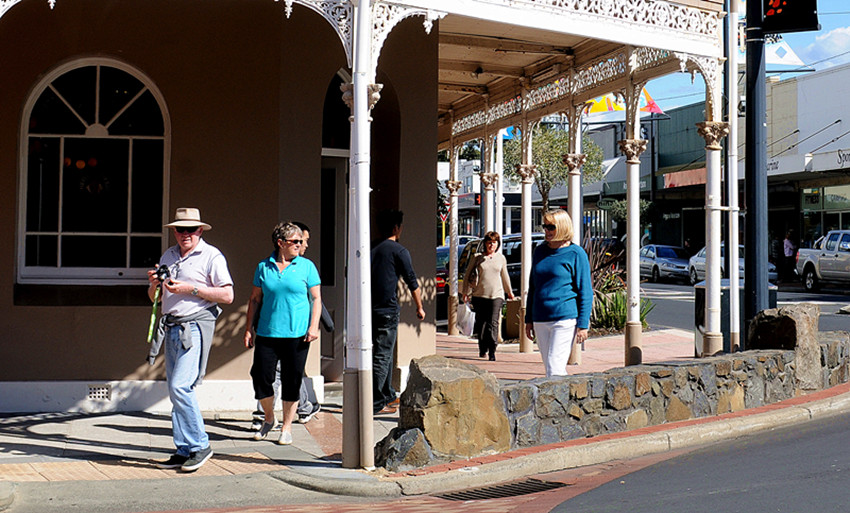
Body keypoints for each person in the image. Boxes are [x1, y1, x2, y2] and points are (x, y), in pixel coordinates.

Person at [148, 208, 234, 472]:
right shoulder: (169, 255)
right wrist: (153, 284)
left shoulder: (211, 256)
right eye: (180, 229)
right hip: (172, 326)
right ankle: (184, 448)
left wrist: (190, 289)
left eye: (191, 229)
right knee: (176, 390)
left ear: (200, 230)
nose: (185, 234)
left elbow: (228, 295)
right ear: (174, 231)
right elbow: (156, 298)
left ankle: (200, 445)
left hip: (194, 326)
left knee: (180, 386)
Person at [244, 222, 321, 445]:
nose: (300, 245)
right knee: (261, 377)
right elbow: (255, 299)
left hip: (297, 334)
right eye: (295, 242)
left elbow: (316, 298)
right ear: (281, 243)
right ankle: (270, 418)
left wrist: (313, 326)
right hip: (268, 332)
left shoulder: (306, 266)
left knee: (291, 380)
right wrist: (248, 327)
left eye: (301, 241)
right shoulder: (263, 267)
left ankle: (286, 427)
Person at [525, 209, 593, 378]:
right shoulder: (540, 251)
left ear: (562, 227)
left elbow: (585, 290)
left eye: (551, 227)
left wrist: (583, 325)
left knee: (554, 366)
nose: (546, 231)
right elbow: (533, 286)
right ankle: (564, 399)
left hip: (564, 318)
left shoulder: (576, 254)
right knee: (550, 367)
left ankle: (557, 401)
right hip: (540, 318)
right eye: (545, 226)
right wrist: (528, 319)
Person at [371, 209, 425, 415]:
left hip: (369, 310)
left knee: (382, 353)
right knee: (383, 355)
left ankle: (387, 394)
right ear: (396, 227)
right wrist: (419, 307)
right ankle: (377, 401)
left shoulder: (369, 248)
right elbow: (411, 281)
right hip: (386, 309)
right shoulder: (399, 251)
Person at [462, 231, 515, 361]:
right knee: (481, 324)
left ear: (498, 244)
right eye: (489, 242)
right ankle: (482, 348)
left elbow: (504, 275)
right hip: (479, 295)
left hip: (496, 295)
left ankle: (492, 350)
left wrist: (509, 291)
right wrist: (465, 292)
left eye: (494, 243)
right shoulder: (477, 257)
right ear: (485, 244)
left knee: (493, 323)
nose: (491, 245)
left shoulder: (501, 258)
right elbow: (468, 275)